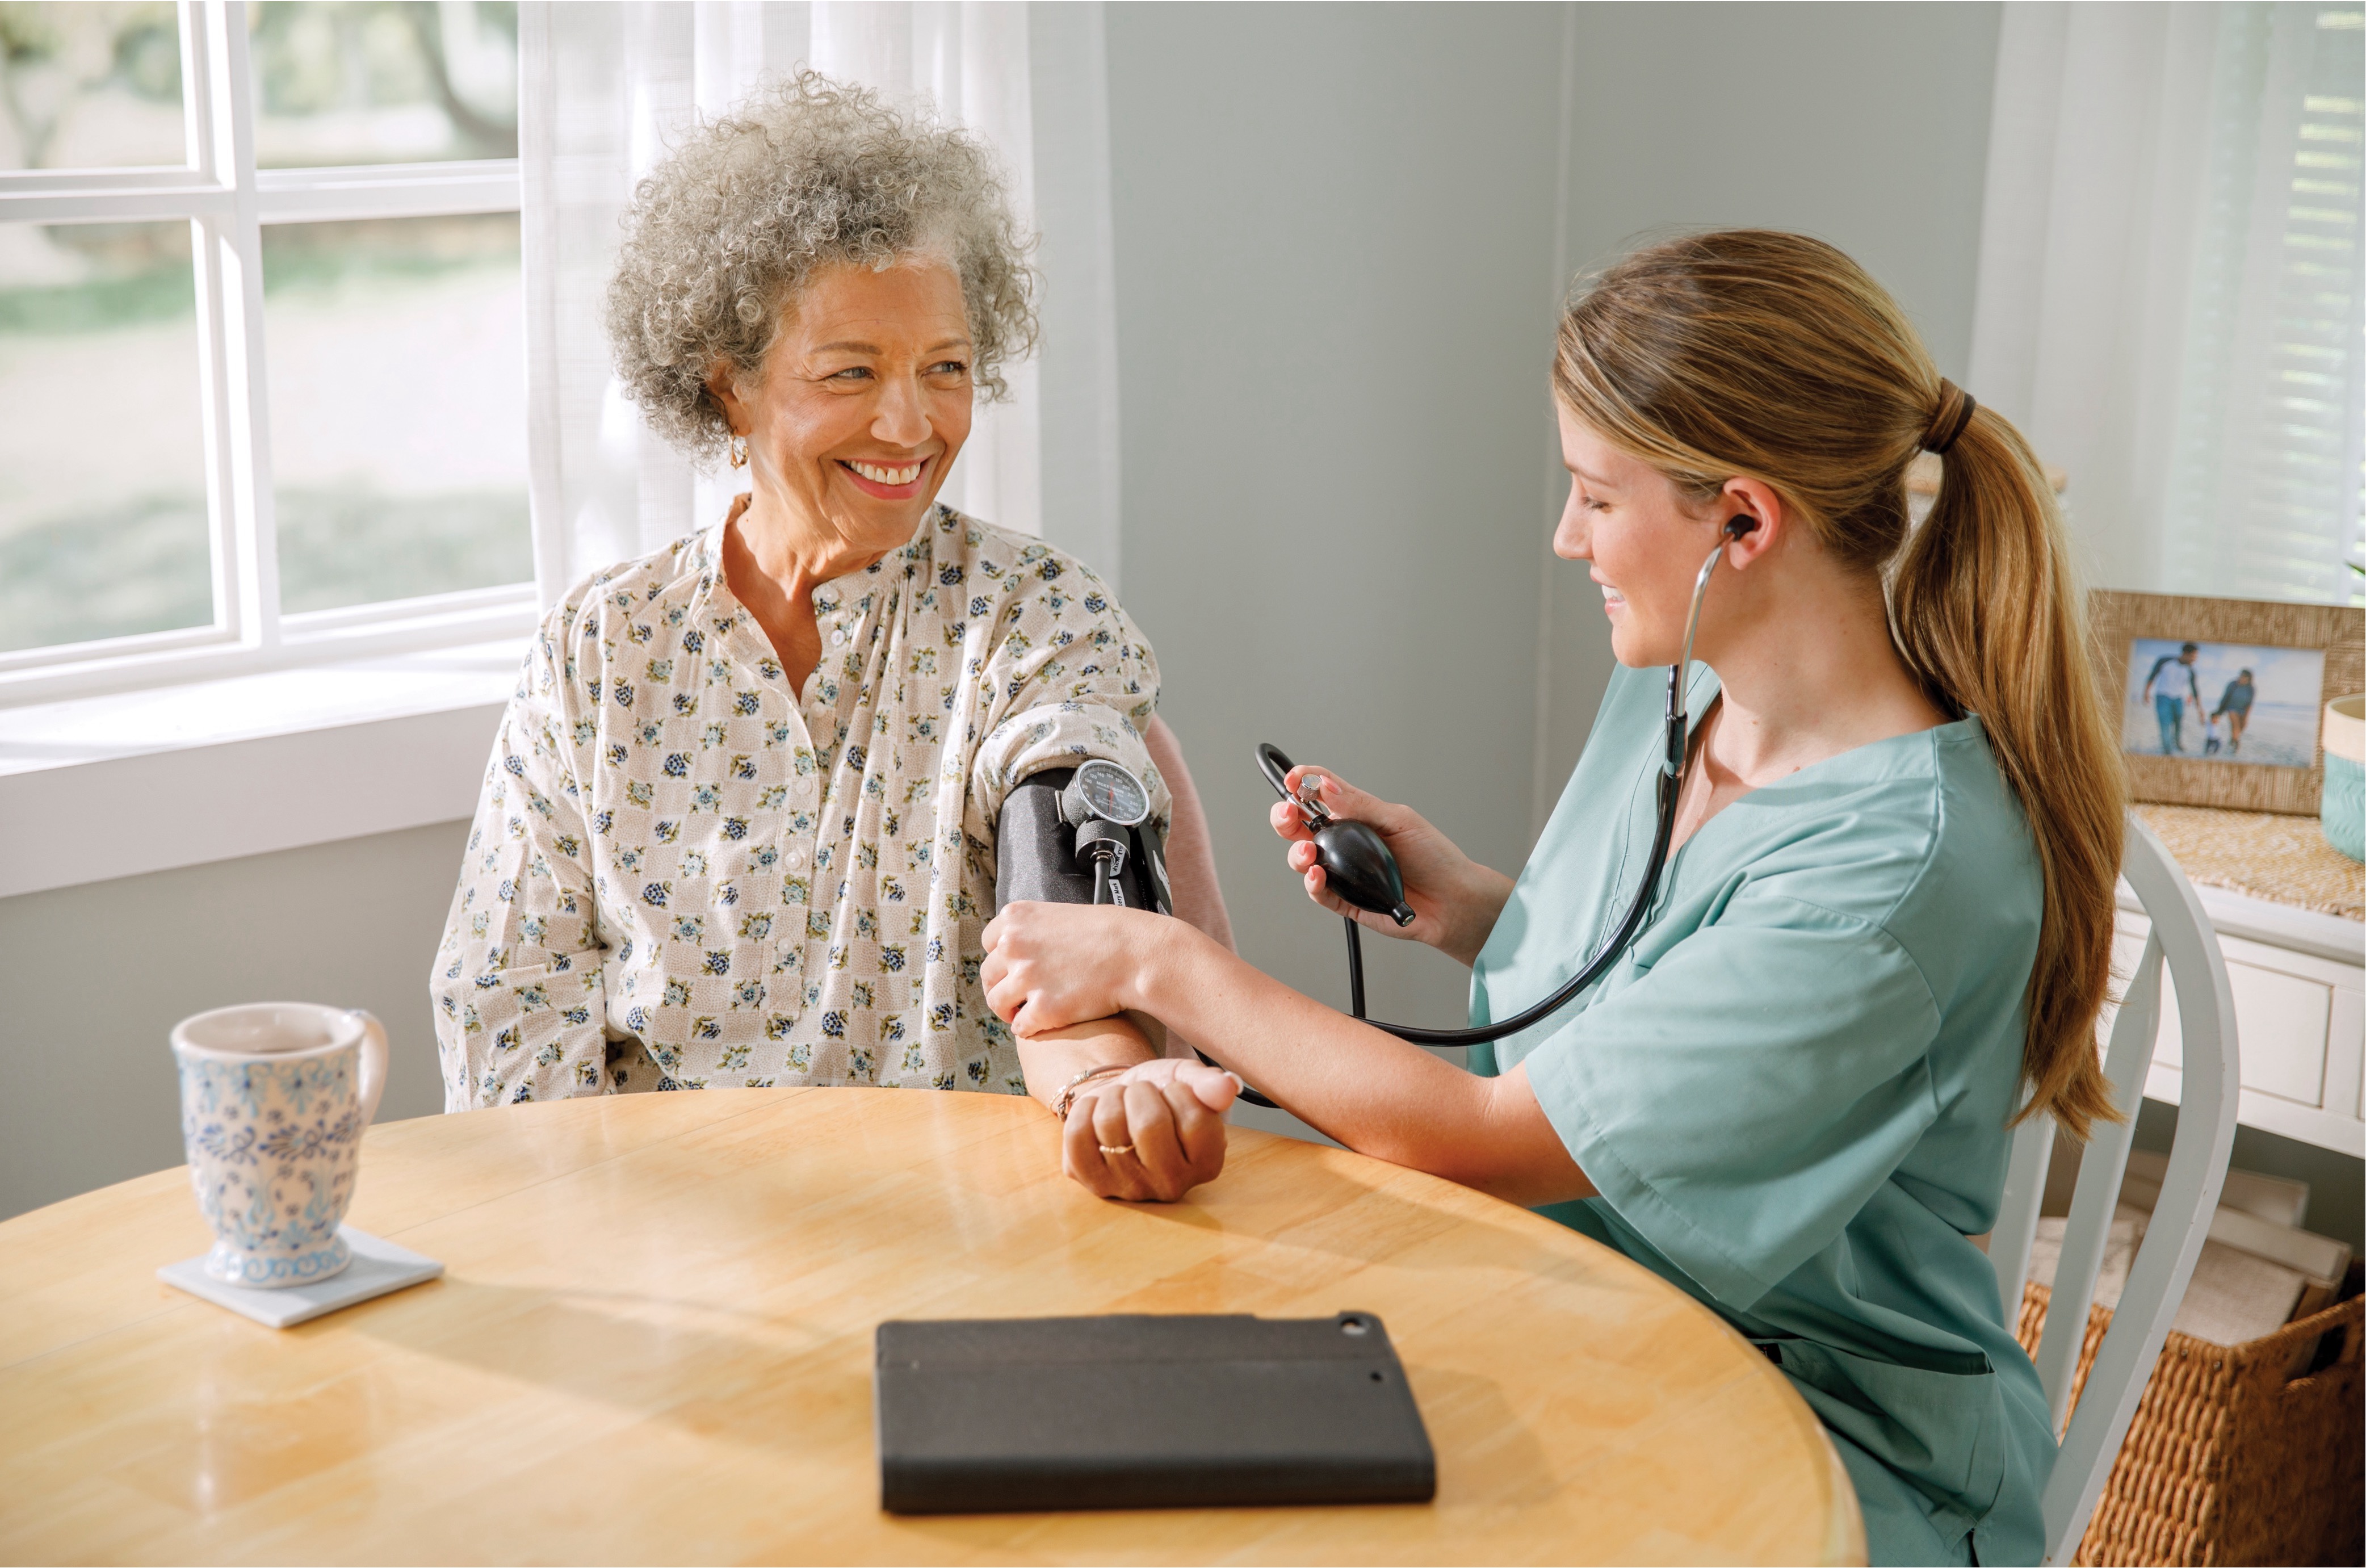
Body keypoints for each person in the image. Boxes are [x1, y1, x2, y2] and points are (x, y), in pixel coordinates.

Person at [980, 230, 2130, 1565]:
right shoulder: (1684, 686)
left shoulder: (1902, 869)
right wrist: (1468, 903)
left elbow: (1492, 1134)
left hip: (1814, 1432)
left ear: (1742, 523)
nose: (1562, 535)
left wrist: (1161, 963)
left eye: (1594, 497)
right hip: (1570, 1314)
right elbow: (1654, 982)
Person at [431, 74, 1234, 1126]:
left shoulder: (1034, 620)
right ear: (729, 382)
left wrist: (1110, 1093)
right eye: (850, 373)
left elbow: (1077, 931)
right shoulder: (596, 657)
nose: (910, 425)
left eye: (946, 367)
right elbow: (511, 1018)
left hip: (969, 1233)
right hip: (662, 1244)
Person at [2142, 642, 2203, 754]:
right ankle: (2167, 750)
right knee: (2165, 724)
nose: (2195, 660)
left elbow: (2195, 690)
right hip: (2163, 697)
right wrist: (2146, 692)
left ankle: (2178, 742)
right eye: (2194, 657)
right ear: (2185, 654)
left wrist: (2200, 710)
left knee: (2179, 723)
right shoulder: (2165, 661)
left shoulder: (2191, 670)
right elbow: (2152, 676)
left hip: (2179, 699)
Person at [2213, 668, 2256, 754]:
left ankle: (2233, 739)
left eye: (2244, 677)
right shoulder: (2233, 684)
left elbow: (2250, 704)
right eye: (2241, 676)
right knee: (2235, 725)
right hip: (2231, 708)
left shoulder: (2251, 689)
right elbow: (2225, 697)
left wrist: (2246, 717)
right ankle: (2237, 744)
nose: (2241, 678)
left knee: (2241, 727)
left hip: (2243, 710)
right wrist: (2219, 711)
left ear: (2249, 679)